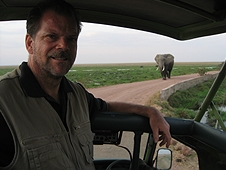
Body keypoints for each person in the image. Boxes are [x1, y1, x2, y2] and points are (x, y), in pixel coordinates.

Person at [0, 0, 171, 169]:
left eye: (71, 38)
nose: (63, 46)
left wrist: (151, 111)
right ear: (30, 44)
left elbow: (107, 107)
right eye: (51, 36)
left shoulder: (76, 94)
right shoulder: (4, 101)